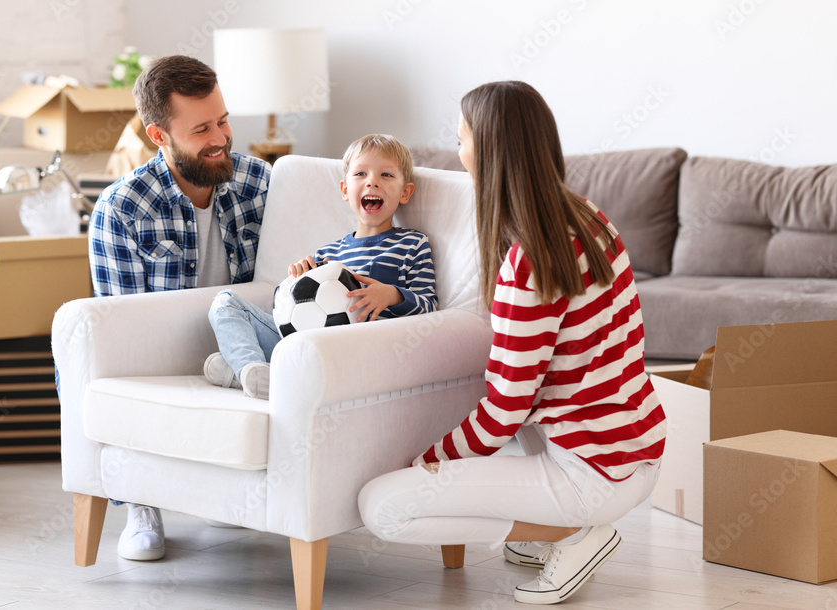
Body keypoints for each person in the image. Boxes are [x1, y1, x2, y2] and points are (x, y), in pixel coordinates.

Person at [357, 82, 667, 606]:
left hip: (592, 473)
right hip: (638, 447)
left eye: (461, 140)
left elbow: (505, 409)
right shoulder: (590, 219)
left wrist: (429, 461)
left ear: (489, 150)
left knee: (382, 506)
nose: (458, 152)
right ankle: (551, 525)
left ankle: (573, 533)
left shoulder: (529, 260)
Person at [87, 55, 271, 562]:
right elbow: (124, 337)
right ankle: (141, 504)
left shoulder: (260, 181)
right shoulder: (122, 209)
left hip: (238, 349)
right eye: (201, 129)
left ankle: (215, 484)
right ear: (158, 135)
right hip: (159, 359)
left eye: (223, 120)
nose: (221, 138)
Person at [203, 134, 437, 399]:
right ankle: (253, 370)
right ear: (346, 190)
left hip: (353, 355)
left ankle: (250, 372)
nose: (372, 181)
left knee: (221, 361)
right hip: (303, 344)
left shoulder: (412, 244)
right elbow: (287, 314)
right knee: (225, 303)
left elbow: (430, 307)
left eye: (386, 175)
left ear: (405, 192)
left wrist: (392, 295)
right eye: (360, 173)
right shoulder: (328, 254)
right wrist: (293, 282)